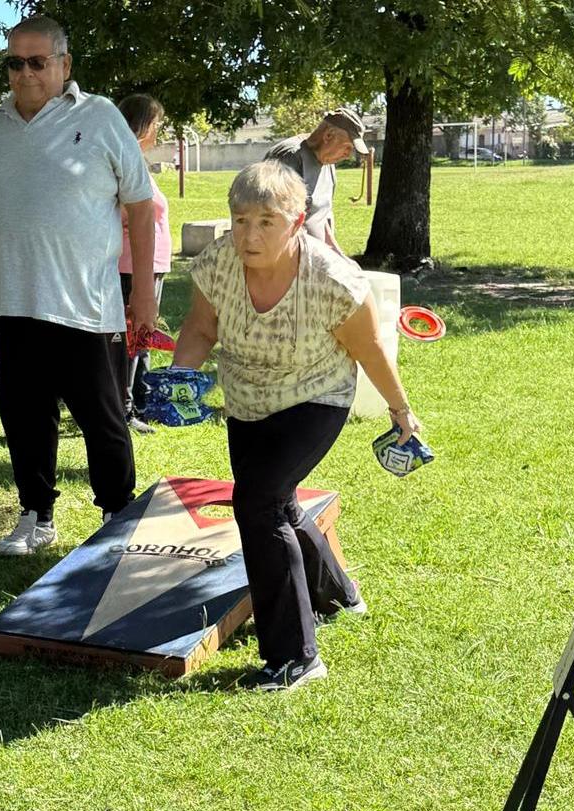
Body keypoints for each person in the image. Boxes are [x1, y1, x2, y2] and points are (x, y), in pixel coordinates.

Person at [169, 160, 422, 692]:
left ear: (296, 220)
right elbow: (199, 327)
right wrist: (178, 379)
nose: (249, 234)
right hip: (246, 399)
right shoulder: (217, 264)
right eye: (240, 220)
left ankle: (295, 657)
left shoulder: (332, 281)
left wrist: (401, 411)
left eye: (265, 221)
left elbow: (370, 350)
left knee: (258, 505)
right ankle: (338, 593)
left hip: (316, 396)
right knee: (277, 503)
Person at [0, 16, 159, 556]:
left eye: (37, 61)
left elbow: (140, 208)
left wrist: (142, 294)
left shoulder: (100, 118)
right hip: (12, 305)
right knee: (24, 418)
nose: (24, 73)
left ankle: (117, 515)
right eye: (14, 62)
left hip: (87, 306)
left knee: (104, 419)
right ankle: (35, 516)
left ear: (64, 65)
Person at [116, 93, 172, 435]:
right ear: (144, 125)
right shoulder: (124, 160)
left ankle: (141, 401)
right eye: (157, 124)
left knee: (144, 335)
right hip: (131, 265)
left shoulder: (136, 160)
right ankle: (122, 410)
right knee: (130, 338)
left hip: (151, 264)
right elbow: (121, 209)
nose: (159, 132)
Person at [265, 108, 370, 259]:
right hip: (290, 260)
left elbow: (321, 216)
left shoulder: (328, 163)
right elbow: (274, 220)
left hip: (314, 258)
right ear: (328, 136)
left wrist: (338, 257)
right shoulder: (289, 157)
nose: (348, 155)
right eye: (347, 147)